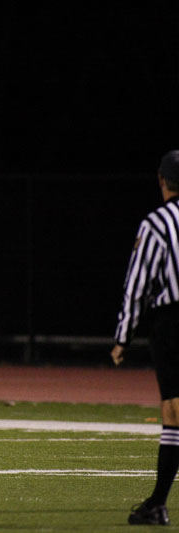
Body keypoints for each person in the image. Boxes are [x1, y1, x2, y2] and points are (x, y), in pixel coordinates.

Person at [112, 150, 179, 526]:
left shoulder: (157, 222)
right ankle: (157, 502)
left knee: (173, 409)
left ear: (161, 180)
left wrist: (123, 335)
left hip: (173, 320)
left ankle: (157, 503)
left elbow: (137, 284)